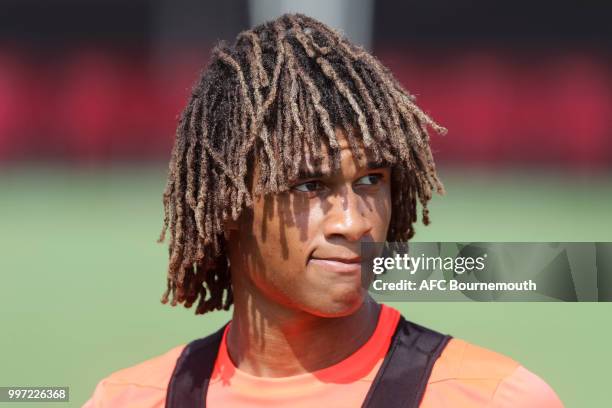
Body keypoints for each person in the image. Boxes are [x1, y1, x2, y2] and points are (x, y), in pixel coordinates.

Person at [84, 13, 563, 407]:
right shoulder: (128, 399)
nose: (355, 223)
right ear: (230, 202)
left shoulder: (493, 397)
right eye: (310, 185)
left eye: (372, 180)